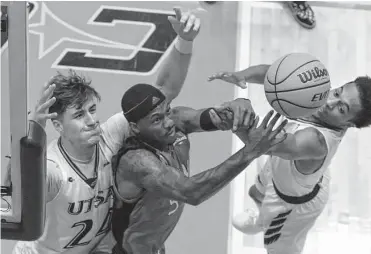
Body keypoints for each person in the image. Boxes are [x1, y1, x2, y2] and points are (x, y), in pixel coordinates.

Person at [10, 7, 202, 254]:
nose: (91, 120)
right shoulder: (53, 171)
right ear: (57, 125)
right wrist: (33, 131)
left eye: (91, 109)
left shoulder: (108, 137)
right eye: (79, 115)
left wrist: (184, 41)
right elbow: (18, 186)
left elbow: (162, 92)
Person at [103, 82, 288, 254]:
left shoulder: (177, 121)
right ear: (135, 128)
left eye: (167, 111)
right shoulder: (138, 161)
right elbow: (192, 192)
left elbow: (217, 116)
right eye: (157, 120)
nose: (168, 122)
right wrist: (250, 152)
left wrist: (238, 106)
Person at [208, 66, 371, 254]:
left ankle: (267, 221)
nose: (330, 102)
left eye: (341, 109)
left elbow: (263, 146)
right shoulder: (322, 93)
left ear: (348, 124)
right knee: (256, 192)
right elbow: (278, 75)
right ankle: (262, 219)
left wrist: (234, 121)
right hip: (287, 163)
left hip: (292, 204)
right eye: (337, 92)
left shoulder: (316, 141)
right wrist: (242, 75)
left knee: (276, 249)